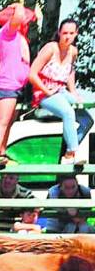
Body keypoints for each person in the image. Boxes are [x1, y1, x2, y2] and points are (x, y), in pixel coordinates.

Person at [28, 18, 92, 165]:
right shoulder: (51, 48)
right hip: (43, 91)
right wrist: (47, 91)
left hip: (61, 90)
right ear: (59, 33)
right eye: (64, 33)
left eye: (71, 33)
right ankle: (71, 153)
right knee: (68, 112)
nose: (67, 37)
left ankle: (68, 149)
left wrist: (74, 92)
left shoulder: (73, 51)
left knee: (86, 120)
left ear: (76, 33)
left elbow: (70, 71)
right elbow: (32, 74)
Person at [0, 3, 35, 168]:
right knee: (1, 119)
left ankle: (1, 151)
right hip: (6, 83)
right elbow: (19, 16)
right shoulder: (8, 32)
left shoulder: (18, 37)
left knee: (9, 121)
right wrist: (18, 6)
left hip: (16, 86)